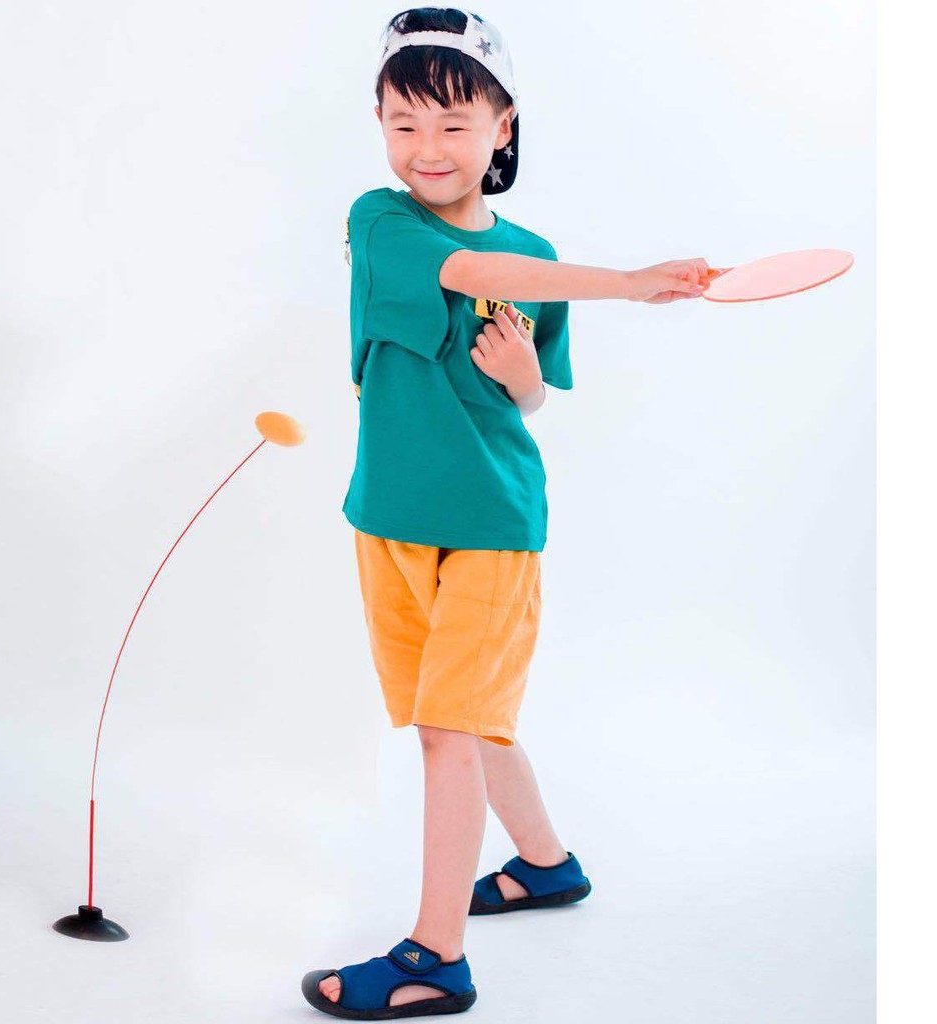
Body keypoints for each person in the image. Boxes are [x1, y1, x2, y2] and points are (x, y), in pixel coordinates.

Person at [301, 7, 709, 1019]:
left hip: (491, 523)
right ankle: (546, 865)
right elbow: (472, 273)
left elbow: (527, 400)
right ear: (379, 126)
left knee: (452, 727)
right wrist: (626, 283)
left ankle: (434, 957)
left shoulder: (536, 252)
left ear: (503, 125)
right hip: (387, 520)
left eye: (452, 123)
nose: (426, 147)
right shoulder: (379, 220)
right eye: (403, 123)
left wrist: (525, 375)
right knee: (467, 720)